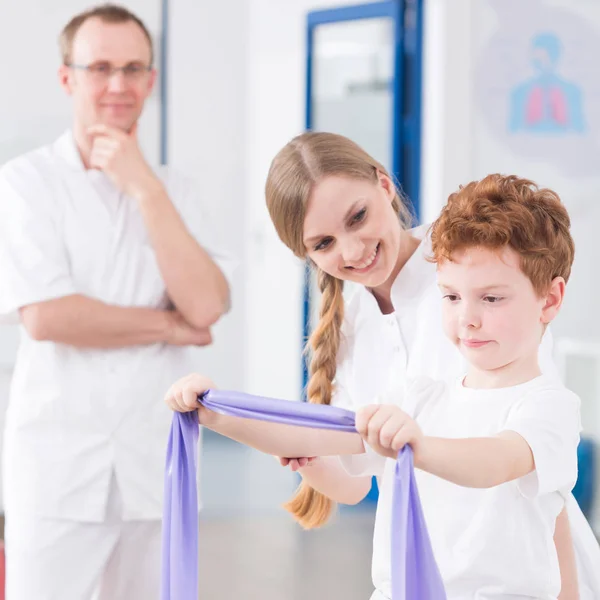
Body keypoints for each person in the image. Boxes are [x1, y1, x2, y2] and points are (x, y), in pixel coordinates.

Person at [166, 132, 600, 597]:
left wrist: (416, 445)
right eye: (325, 242)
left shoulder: (468, 261)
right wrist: (213, 414)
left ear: (384, 185)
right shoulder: (361, 335)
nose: (353, 252)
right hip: (424, 569)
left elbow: (512, 461)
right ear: (305, 254)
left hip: (523, 566)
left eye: (358, 217)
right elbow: (352, 465)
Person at [0, 4, 233, 599]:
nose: (117, 85)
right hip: (56, 471)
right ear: (67, 77)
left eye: (133, 69)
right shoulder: (24, 183)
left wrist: (144, 188)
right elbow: (49, 317)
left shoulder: (174, 189)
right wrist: (169, 326)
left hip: (154, 463)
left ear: (151, 81)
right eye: (100, 67)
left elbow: (205, 306)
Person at [348, 173, 580, 599]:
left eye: (490, 299)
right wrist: (213, 411)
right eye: (452, 297)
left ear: (549, 299)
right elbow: (316, 434)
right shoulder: (420, 396)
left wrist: (416, 445)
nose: (466, 318)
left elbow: (496, 461)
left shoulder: (549, 406)